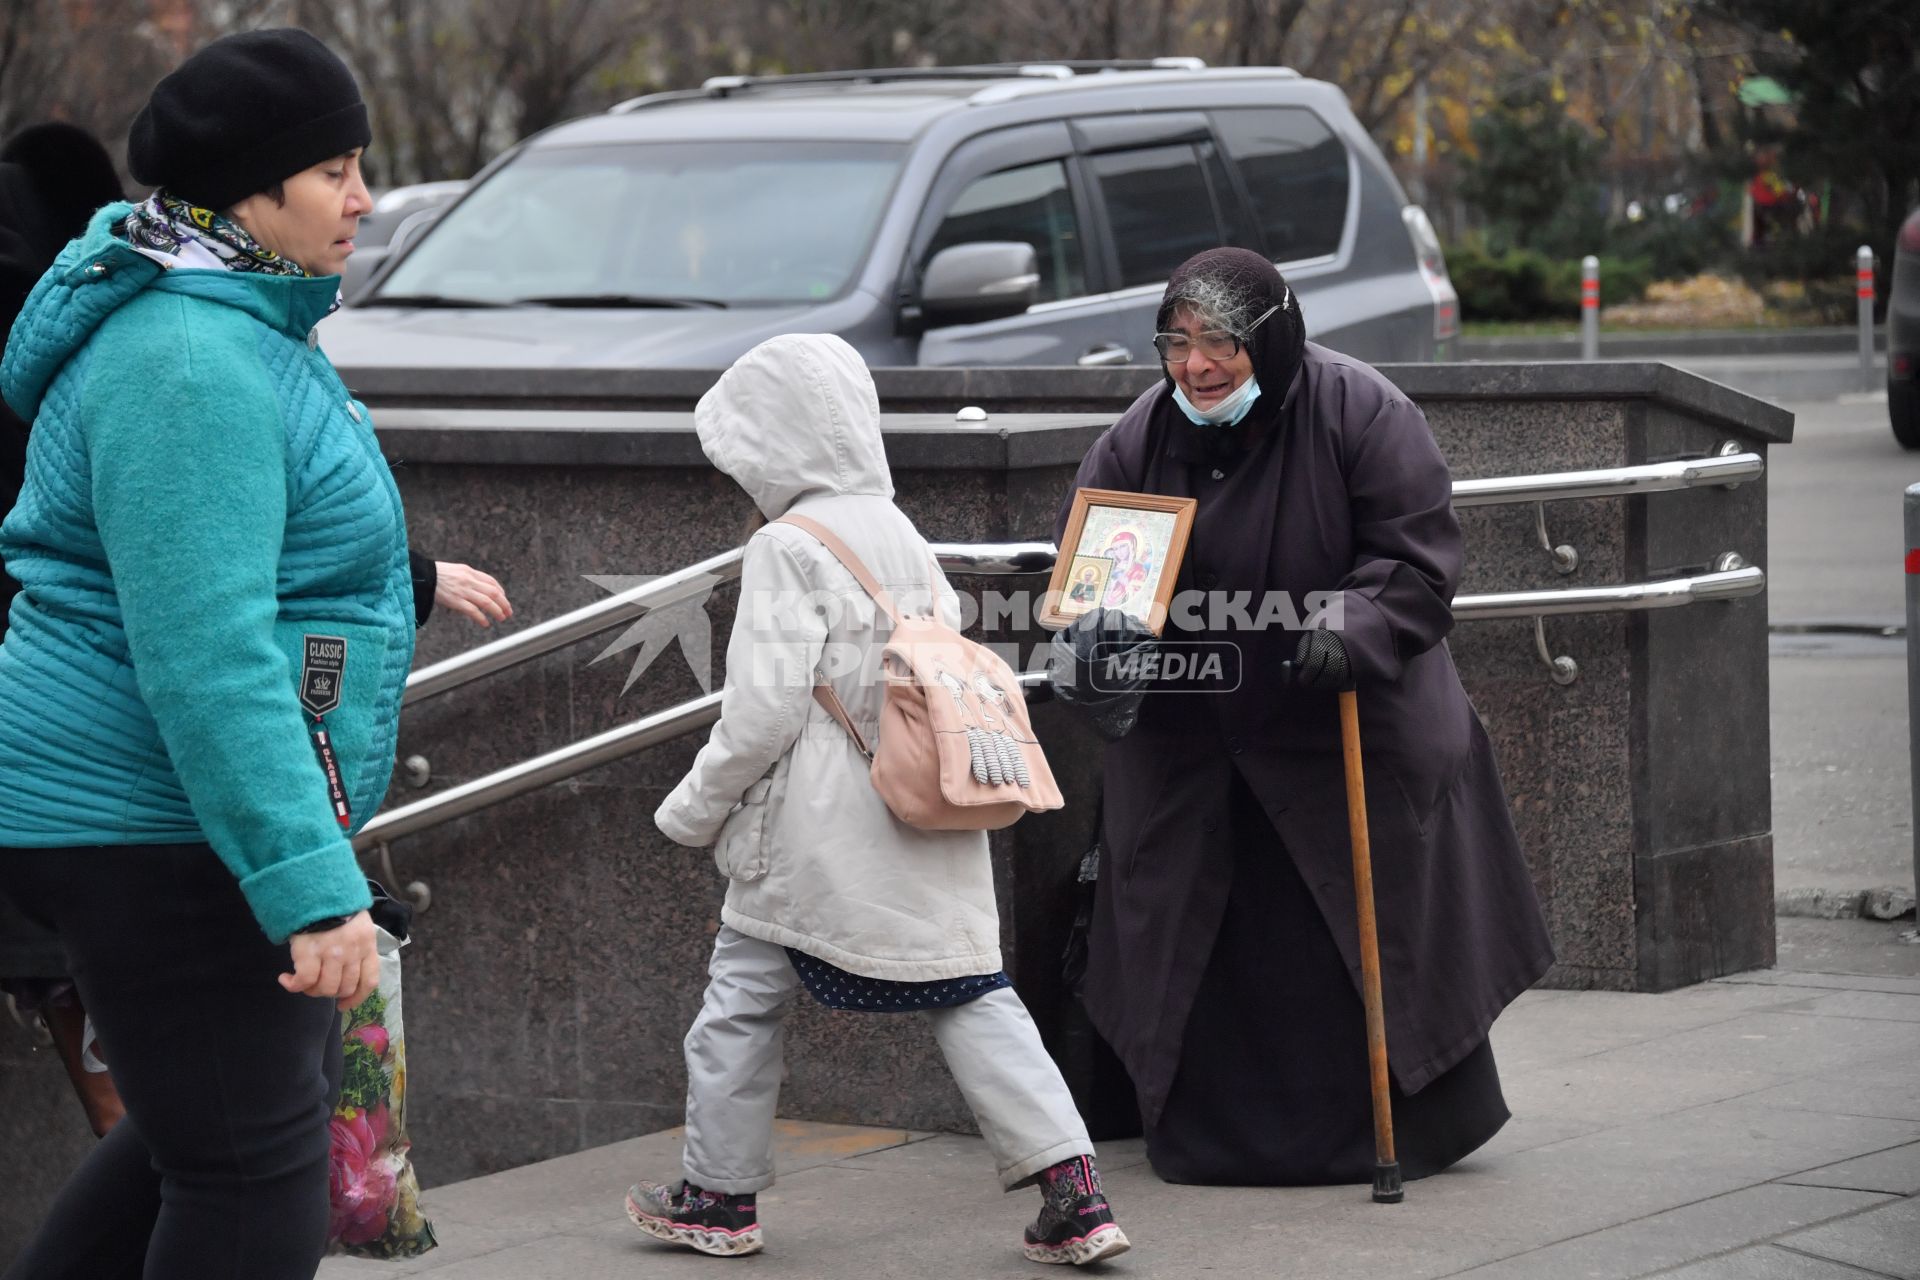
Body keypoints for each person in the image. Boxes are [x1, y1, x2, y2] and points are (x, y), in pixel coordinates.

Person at [0, 29, 418, 1279]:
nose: (362, 197)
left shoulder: (237, 318)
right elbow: (202, 650)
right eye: (333, 169)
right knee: (249, 1172)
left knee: (210, 1138)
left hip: (171, 812)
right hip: (155, 824)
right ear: (248, 188)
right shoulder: (188, 357)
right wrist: (309, 884)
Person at [1054, 247, 1555, 1187]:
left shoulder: (1361, 412)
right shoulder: (1136, 439)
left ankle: (1390, 1132)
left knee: (1351, 946)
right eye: (1177, 342)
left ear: (1271, 338)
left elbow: (1413, 562)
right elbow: (1093, 577)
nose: (1196, 366)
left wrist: (1348, 627)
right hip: (1196, 757)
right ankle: (1207, 1137)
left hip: (1336, 740)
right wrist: (1099, 641)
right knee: (1209, 942)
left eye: (1221, 344)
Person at [630, 333, 1129, 1267]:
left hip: (814, 831)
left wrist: (693, 809)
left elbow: (762, 714)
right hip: (930, 806)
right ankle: (1075, 1191)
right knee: (974, 993)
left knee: (740, 999)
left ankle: (717, 1196)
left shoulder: (787, 545)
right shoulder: (901, 531)